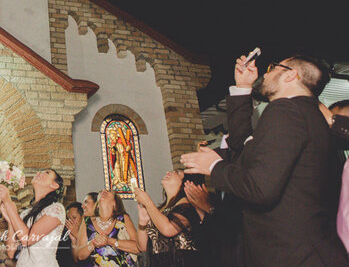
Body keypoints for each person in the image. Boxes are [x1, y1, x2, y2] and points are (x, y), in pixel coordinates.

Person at [181, 54, 349, 266]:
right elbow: (245, 147)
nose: (266, 73)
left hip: (292, 255)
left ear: (290, 75)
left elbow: (260, 188)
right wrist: (242, 87)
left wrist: (214, 167)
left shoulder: (284, 110)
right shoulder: (304, 114)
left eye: (272, 68)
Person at [0, 169, 66, 267]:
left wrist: (8, 203)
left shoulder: (56, 209)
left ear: (54, 185)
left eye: (46, 173)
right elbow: (11, 252)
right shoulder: (26, 213)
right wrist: (10, 221)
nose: (38, 173)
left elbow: (27, 240)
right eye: (39, 171)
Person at [134, 171, 202, 267]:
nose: (168, 172)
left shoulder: (187, 205)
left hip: (180, 261)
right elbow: (142, 247)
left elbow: (168, 229)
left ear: (184, 183)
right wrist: (142, 223)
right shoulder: (159, 211)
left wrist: (147, 201)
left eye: (177, 172)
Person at [74, 190, 138, 267]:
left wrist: (109, 241)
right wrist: (92, 243)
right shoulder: (87, 221)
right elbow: (79, 255)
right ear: (97, 205)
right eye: (101, 191)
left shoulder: (123, 219)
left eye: (109, 191)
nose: (103, 191)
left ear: (115, 204)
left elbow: (137, 247)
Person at [57, 202, 83, 267]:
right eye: (68, 218)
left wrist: (77, 235)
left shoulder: (90, 233)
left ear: (83, 218)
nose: (70, 221)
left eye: (74, 217)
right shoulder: (62, 237)